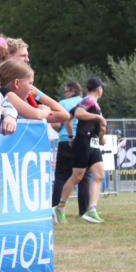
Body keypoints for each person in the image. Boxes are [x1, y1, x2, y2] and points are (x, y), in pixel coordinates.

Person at [55, 77, 108, 224]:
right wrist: (98, 118)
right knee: (77, 176)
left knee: (99, 175)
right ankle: (59, 208)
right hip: (84, 141)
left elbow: (68, 118)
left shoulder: (92, 103)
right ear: (99, 89)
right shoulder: (89, 100)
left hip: (93, 142)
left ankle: (92, 209)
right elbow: (78, 113)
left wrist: (101, 135)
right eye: (102, 88)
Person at [51, 81, 91, 218]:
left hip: (65, 141)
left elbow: (55, 124)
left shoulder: (62, 103)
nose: (64, 93)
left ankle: (55, 208)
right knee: (84, 178)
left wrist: (63, 130)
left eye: (66, 91)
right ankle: (84, 211)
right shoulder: (88, 102)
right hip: (84, 141)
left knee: (61, 177)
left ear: (72, 91)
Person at [0, 58, 69, 125]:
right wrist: (45, 110)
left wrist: (37, 94)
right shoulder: (8, 95)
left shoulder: (12, 97)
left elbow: (65, 115)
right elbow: (37, 115)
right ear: (17, 83)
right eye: (30, 83)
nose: (32, 88)